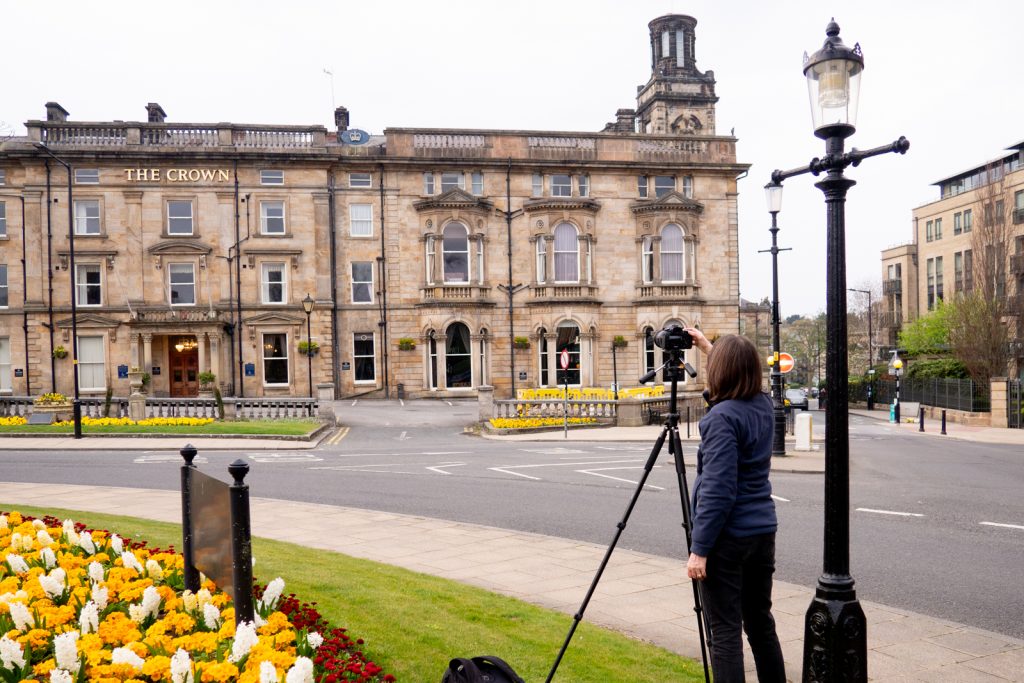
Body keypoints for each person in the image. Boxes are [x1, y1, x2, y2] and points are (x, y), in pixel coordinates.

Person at [684, 329, 786, 682]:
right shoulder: (762, 405)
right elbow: (734, 388)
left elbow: (718, 489)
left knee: (724, 631)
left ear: (721, 372)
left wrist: (699, 549)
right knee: (760, 623)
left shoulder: (721, 419)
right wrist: (710, 348)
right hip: (762, 532)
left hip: (727, 539)